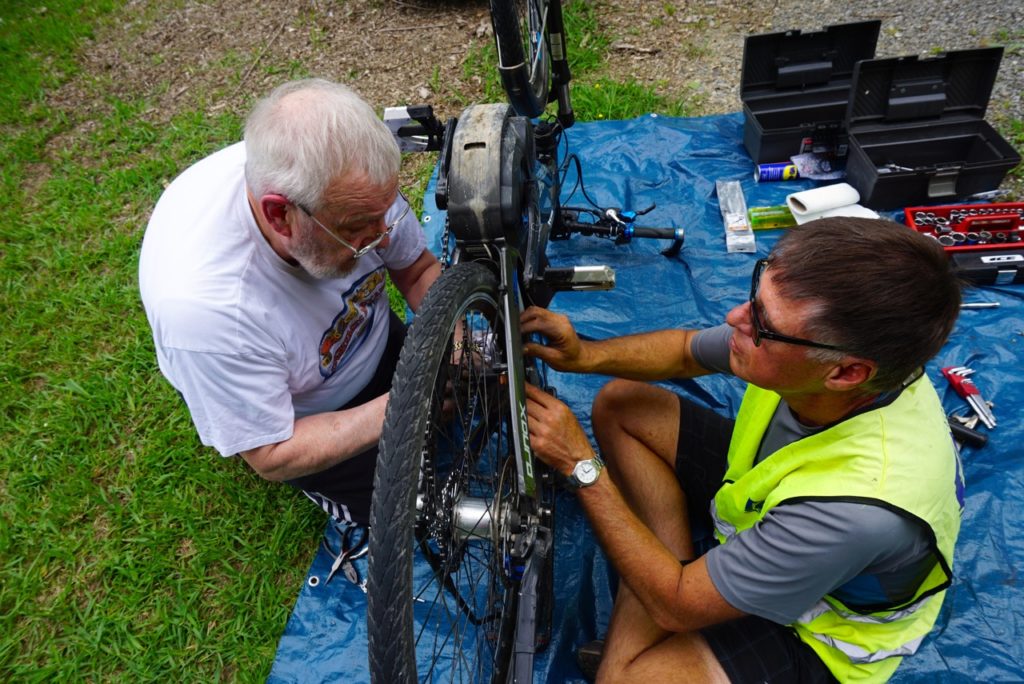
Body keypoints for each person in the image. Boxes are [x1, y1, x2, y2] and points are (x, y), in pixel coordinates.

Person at [522, 217, 965, 683]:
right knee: (622, 404)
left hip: (817, 628)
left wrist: (582, 467)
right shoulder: (825, 363)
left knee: (628, 676)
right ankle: (674, 567)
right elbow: (687, 350)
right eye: (756, 295)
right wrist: (585, 356)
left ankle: (671, 589)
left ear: (846, 373)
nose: (735, 317)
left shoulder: (857, 511)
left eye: (764, 325)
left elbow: (675, 607)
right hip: (773, 507)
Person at [139, 78, 440, 526]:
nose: (381, 234)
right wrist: (412, 400)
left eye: (385, 212)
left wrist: (457, 339)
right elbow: (271, 453)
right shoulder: (208, 312)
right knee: (420, 511)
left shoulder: (349, 185)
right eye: (358, 227)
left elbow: (416, 271)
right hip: (309, 420)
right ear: (280, 215)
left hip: (364, 340)